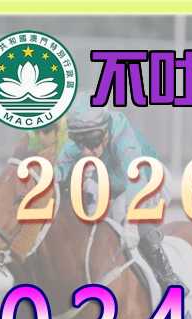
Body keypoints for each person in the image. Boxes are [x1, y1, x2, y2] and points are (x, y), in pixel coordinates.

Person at [56, 96, 180, 290]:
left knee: (132, 225)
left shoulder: (124, 139)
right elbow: (57, 173)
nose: (86, 151)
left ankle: (168, 276)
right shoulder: (81, 141)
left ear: (106, 131)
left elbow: (136, 183)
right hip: (117, 184)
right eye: (79, 142)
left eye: (92, 141)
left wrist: (131, 224)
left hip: (150, 181)